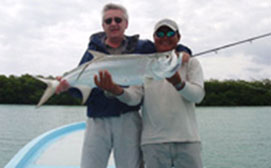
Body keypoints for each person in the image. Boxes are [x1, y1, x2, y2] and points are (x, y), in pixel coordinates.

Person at [55, 3, 157, 168]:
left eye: (118, 19)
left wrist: (184, 50)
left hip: (128, 118)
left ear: (126, 24)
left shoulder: (142, 47)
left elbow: (165, 49)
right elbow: (79, 91)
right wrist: (67, 87)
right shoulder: (91, 52)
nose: (113, 24)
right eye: (108, 21)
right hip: (97, 119)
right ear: (103, 26)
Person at [96, 19, 205, 168]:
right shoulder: (143, 65)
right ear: (154, 38)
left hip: (188, 141)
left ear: (178, 37)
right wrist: (116, 90)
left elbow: (198, 96)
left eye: (170, 33)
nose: (165, 37)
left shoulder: (191, 62)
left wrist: (178, 83)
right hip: (153, 143)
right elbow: (134, 98)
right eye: (160, 33)